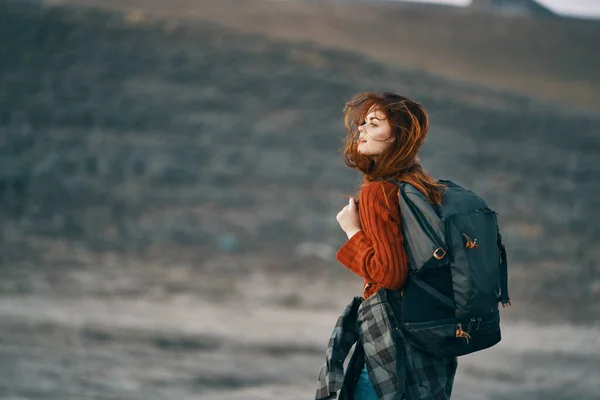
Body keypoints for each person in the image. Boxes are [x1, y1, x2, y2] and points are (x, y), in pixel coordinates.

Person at [333, 92, 456, 399]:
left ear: (397, 137)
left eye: (373, 124)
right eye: (363, 122)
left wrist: (352, 232)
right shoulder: (422, 186)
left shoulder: (379, 192)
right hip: (431, 334)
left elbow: (390, 275)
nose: (361, 129)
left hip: (392, 342)